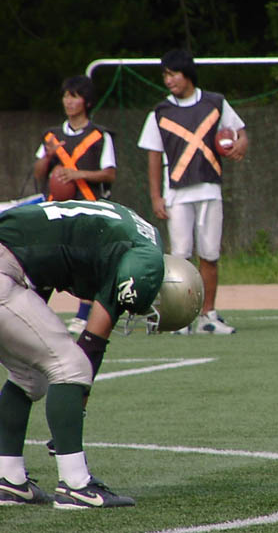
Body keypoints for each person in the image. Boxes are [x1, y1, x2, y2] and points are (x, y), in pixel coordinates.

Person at [0, 199, 164, 508]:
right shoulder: (140, 256)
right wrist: (76, 408)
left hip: (9, 259)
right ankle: (75, 485)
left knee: (29, 375)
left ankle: (9, 479)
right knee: (71, 365)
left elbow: (41, 256)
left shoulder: (125, 228)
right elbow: (92, 343)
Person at [137, 48, 248, 335]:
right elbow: (153, 155)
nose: (168, 80)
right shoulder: (160, 112)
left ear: (187, 74)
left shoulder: (215, 103)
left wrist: (240, 144)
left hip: (210, 189)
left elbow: (240, 132)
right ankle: (180, 318)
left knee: (210, 255)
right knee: (180, 258)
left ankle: (208, 316)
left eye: (173, 74)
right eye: (165, 75)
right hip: (177, 193)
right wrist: (155, 197)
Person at [33, 75, 116, 336]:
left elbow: (109, 174)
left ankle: (83, 315)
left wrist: (78, 175)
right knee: (48, 259)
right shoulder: (52, 136)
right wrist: (47, 157)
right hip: (56, 208)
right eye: (66, 96)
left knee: (86, 260)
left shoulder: (100, 136)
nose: (68, 101)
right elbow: (38, 173)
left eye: (75, 96)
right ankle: (38, 314)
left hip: (88, 207)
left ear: (87, 102)